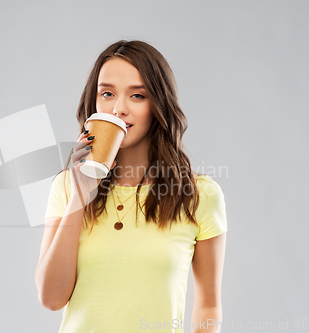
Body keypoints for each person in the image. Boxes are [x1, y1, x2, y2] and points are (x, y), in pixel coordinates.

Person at [35, 40, 227, 333]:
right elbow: (51, 298)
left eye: (137, 95)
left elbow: (209, 304)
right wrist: (79, 196)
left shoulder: (199, 194)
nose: (118, 109)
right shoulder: (66, 186)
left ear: (157, 104)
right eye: (107, 93)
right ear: (94, 101)